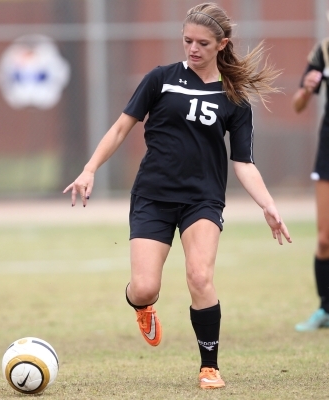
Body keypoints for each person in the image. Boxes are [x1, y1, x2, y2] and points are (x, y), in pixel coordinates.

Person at [64, 2, 291, 389]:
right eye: (187, 40)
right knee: (146, 287)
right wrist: (89, 169)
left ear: (222, 44)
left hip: (203, 199)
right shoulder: (161, 79)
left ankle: (209, 367)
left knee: (200, 276)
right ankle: (141, 305)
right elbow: (121, 129)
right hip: (153, 195)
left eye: (202, 42)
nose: (193, 48)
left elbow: (244, 163)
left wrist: (268, 205)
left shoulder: (234, 98)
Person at [292, 27, 329, 332]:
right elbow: (298, 105)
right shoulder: (324, 51)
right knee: (324, 238)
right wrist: (305, 89)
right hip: (328, 150)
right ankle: (325, 309)